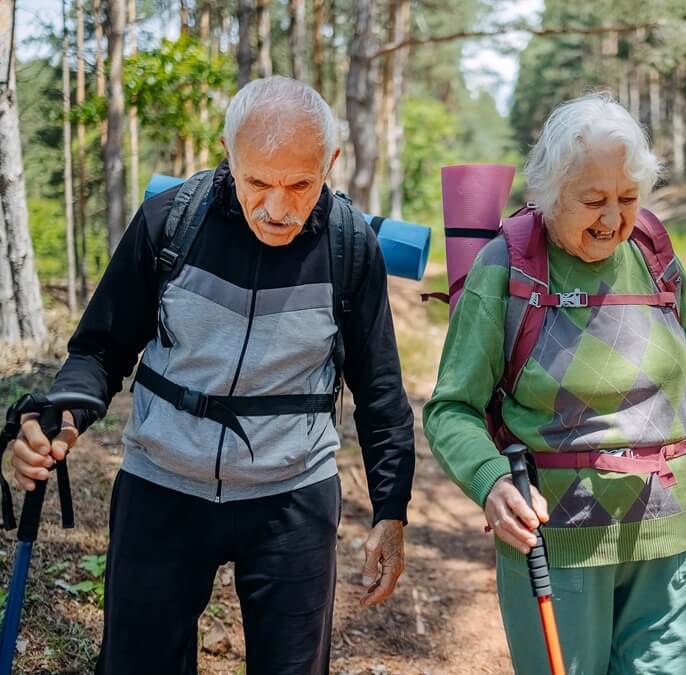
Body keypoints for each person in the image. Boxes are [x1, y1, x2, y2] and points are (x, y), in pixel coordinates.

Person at [10, 76, 415, 674]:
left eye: (301, 184)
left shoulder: (350, 246)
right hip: (162, 482)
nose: (278, 209)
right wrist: (67, 411)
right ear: (228, 155)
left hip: (292, 493)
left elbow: (380, 391)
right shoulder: (169, 223)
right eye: (258, 182)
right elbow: (101, 347)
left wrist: (391, 508)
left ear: (331, 162)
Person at [423, 92, 686, 674]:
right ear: (549, 194)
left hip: (666, 535)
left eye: (627, 197)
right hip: (557, 544)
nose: (613, 218)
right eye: (593, 199)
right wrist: (491, 482)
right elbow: (451, 408)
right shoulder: (506, 269)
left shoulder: (648, 249)